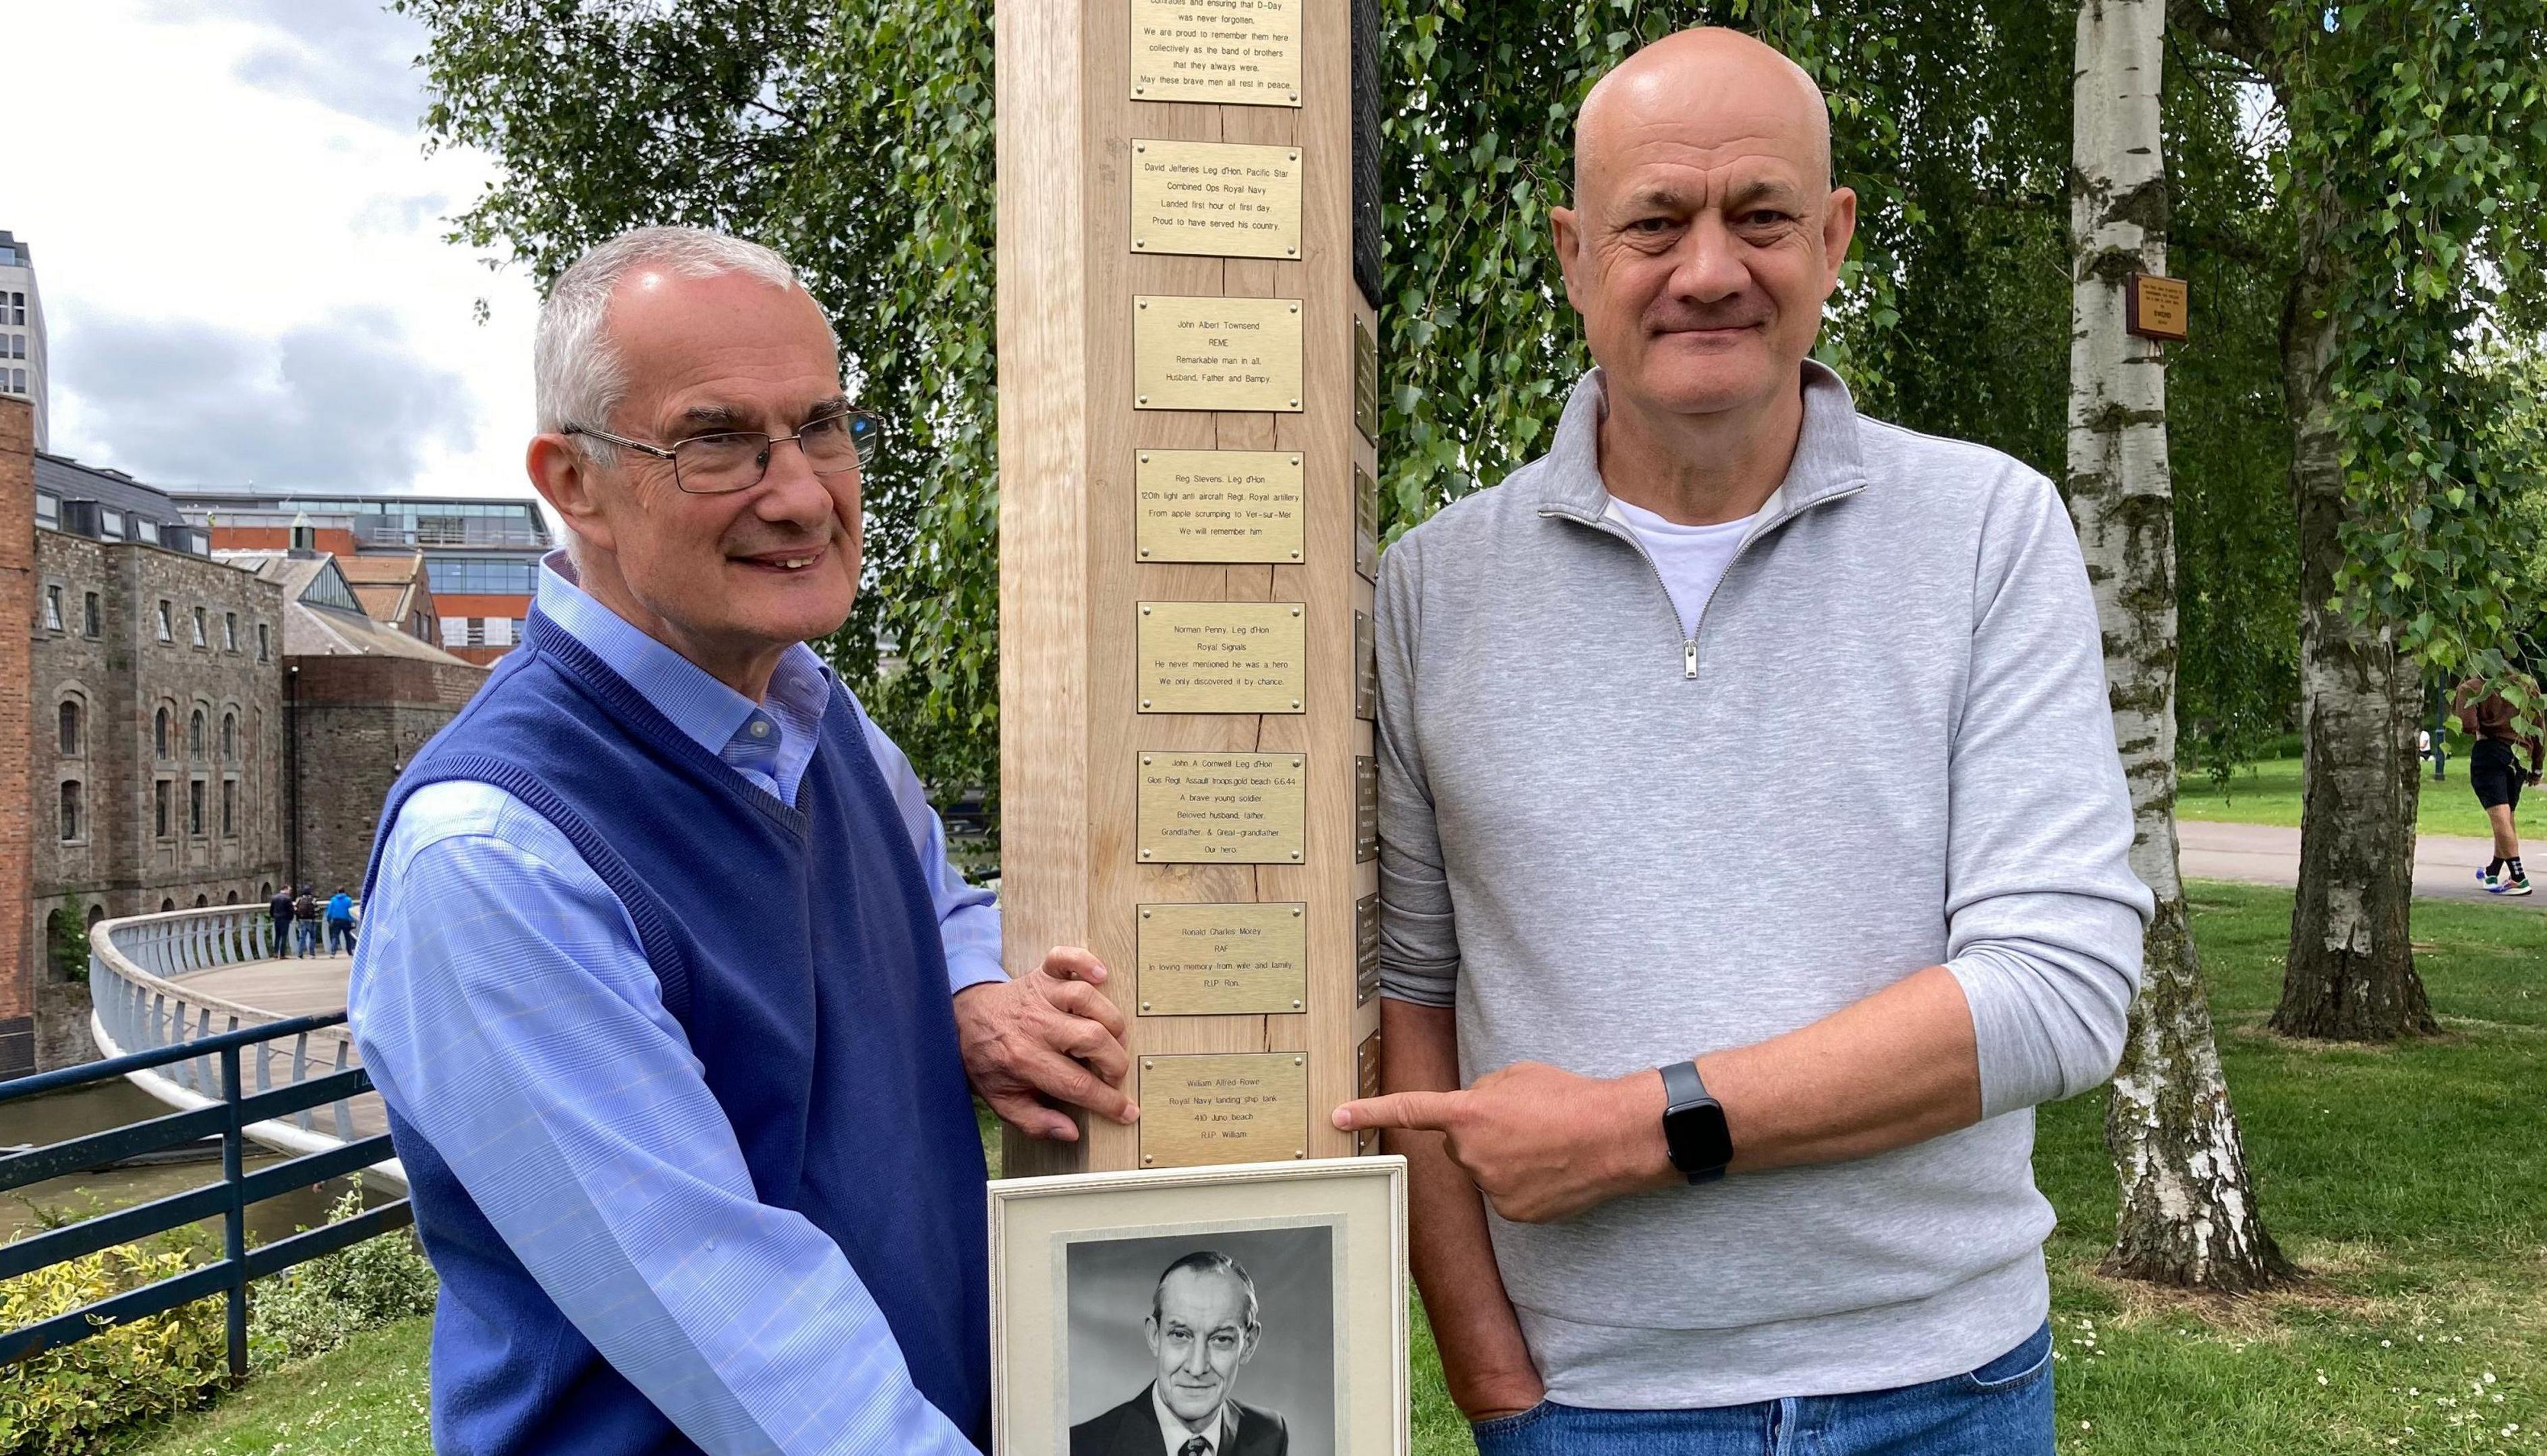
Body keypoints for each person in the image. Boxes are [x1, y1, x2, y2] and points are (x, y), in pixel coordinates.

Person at [1332, 29, 2152, 1456]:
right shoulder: (1432, 587)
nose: (1709, 268)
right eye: (1655, 222)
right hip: (1588, 1408)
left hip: (1945, 1385)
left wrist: (1648, 1125)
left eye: (1759, 216)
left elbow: (2059, 991)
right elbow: (1414, 992)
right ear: (1575, 253)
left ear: (1830, 240)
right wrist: (1488, 1372)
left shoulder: (1986, 532)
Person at [348, 226, 1138, 1455]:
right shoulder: (496, 857)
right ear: (573, 482)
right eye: (717, 439)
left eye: (821, 424)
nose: (801, 490)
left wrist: (972, 985)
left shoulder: (815, 717)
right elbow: (758, 1347)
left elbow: (930, 899)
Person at [1070, 1252, 1288, 1456]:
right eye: (1180, 1335)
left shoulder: (1269, 1434)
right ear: (1155, 1336)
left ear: (1248, 1344)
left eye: (1221, 1339)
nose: (1196, 1368)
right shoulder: (1082, 1447)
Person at [2453, 673, 2544, 896]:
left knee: (2499, 816)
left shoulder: (2473, 687)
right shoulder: (2526, 685)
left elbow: (2468, 724)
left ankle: (2518, 877)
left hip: (2490, 752)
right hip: (2521, 752)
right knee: (2507, 814)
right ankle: (2492, 871)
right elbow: (2539, 726)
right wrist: (2537, 766)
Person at [324, 889, 357, 956]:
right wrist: (352, 920)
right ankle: (350, 952)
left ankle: (333, 953)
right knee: (347, 937)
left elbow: (329, 911)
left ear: (337, 892)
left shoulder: (333, 900)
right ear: (344, 892)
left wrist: (329, 919)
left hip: (336, 920)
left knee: (335, 936)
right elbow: (351, 911)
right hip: (346, 920)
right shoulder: (348, 900)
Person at [292, 885, 321, 959]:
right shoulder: (313, 900)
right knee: (312, 937)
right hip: (311, 921)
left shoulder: (299, 899)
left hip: (302, 921)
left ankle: (300, 954)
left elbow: (295, 909)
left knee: (302, 938)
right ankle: (312, 954)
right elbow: (317, 910)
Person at [267, 885, 294, 956]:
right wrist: (291, 918)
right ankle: (282, 953)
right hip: (285, 919)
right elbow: (291, 910)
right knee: (284, 936)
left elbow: (271, 909)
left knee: (277, 936)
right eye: (289, 890)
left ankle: (276, 952)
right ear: (285, 889)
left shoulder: (275, 898)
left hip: (277, 918)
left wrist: (273, 916)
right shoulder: (288, 899)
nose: (290, 892)